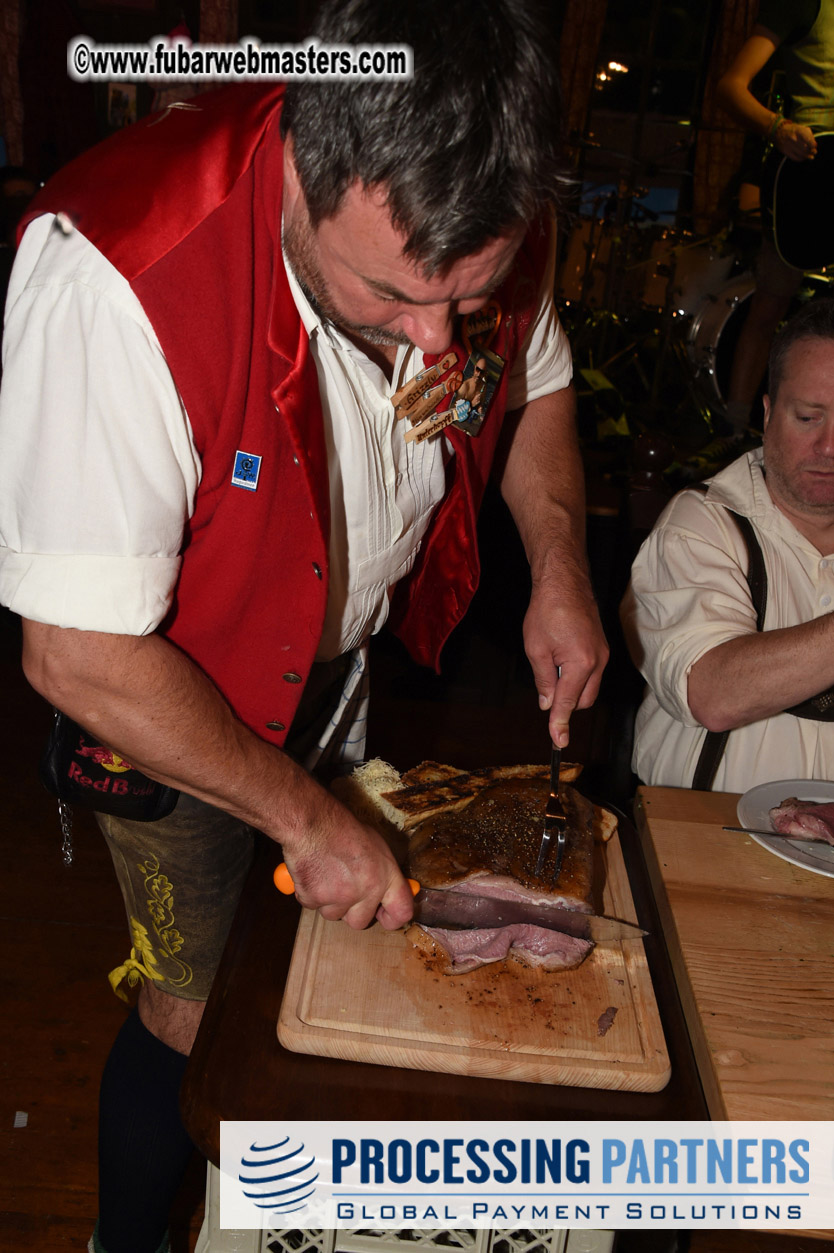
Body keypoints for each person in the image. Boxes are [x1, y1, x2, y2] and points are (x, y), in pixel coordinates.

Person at [0, 1, 608, 1250]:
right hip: (163, 696)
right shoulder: (117, 277)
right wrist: (306, 815)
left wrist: (559, 567)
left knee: (318, 964)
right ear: (304, 165)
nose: (438, 340)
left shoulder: (472, 199)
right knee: (193, 1010)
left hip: (332, 659)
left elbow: (535, 385)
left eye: (470, 297)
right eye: (391, 295)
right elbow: (75, 652)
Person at [621, 298, 834, 793]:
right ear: (768, 414)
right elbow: (712, 693)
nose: (828, 447)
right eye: (808, 417)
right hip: (704, 831)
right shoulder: (702, 524)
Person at [715, 0, 834, 434]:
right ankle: (734, 430)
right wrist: (777, 128)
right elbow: (730, 86)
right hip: (811, 176)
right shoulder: (803, 3)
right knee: (769, 304)